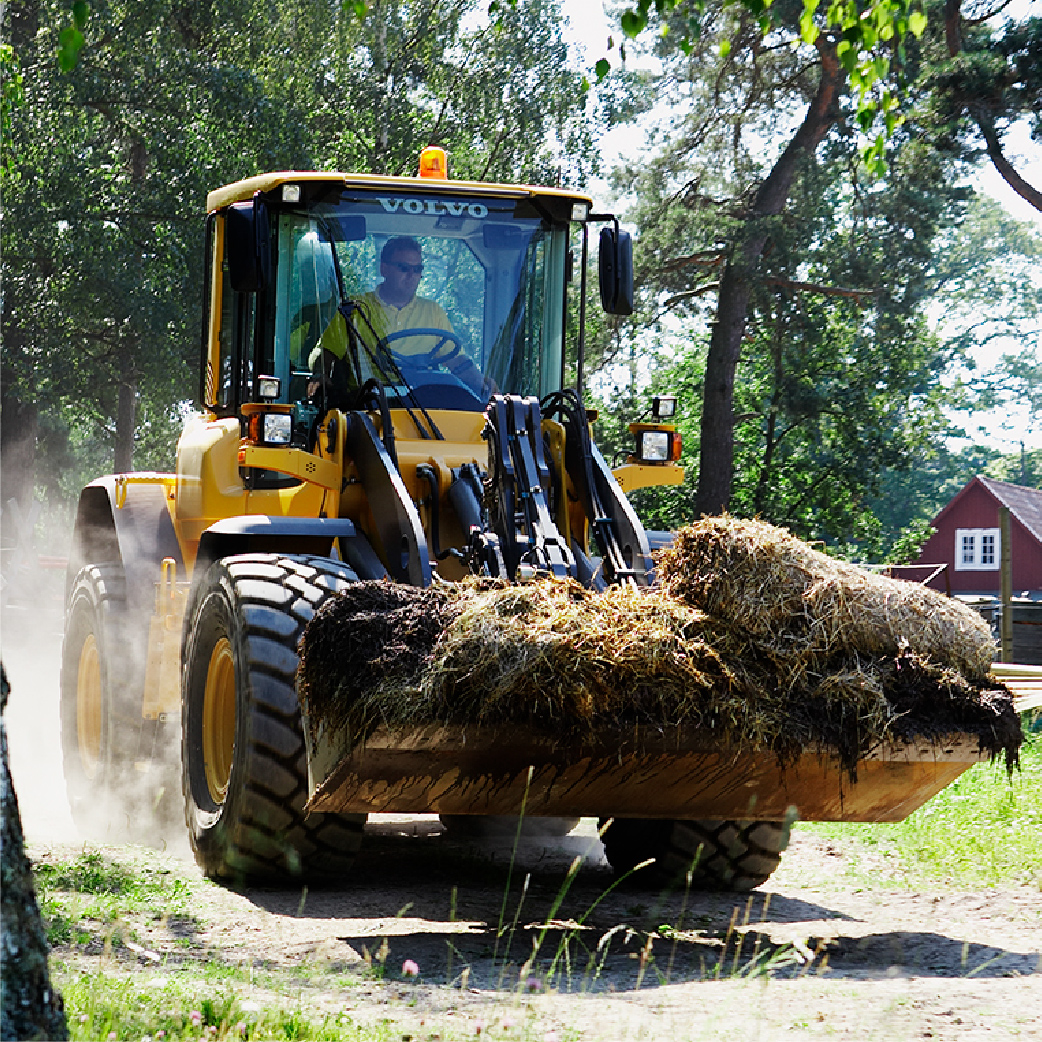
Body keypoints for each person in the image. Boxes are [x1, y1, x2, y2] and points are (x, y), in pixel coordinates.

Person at [310, 236, 488, 397]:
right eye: (404, 268)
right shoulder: (356, 308)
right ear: (384, 269)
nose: (412, 276)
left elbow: (456, 360)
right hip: (369, 402)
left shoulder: (433, 311)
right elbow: (327, 351)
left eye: (417, 269)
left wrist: (484, 384)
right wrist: (321, 374)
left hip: (423, 402)